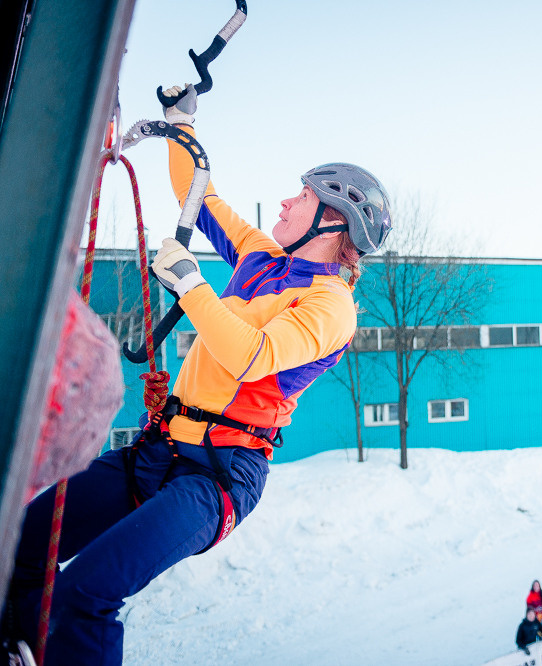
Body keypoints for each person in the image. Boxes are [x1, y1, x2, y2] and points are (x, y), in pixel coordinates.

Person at [0, 85, 392, 665]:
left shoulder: (331, 306)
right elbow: (196, 198)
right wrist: (181, 124)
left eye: (302, 197)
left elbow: (252, 355)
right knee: (25, 540)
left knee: (87, 592)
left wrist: (190, 283)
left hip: (216, 478)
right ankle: (21, 648)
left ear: (333, 222)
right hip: (160, 451)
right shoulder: (261, 257)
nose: (284, 203)